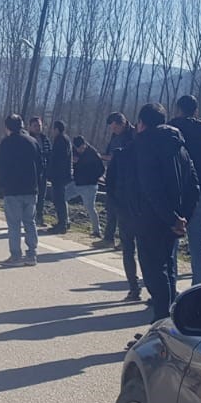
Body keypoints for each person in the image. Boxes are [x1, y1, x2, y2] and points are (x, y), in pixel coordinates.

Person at [117, 102, 198, 322]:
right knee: (169, 270)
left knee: (154, 275)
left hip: (150, 219)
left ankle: (161, 326)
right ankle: (168, 323)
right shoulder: (180, 146)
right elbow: (194, 186)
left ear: (141, 123)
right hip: (174, 221)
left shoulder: (143, 146)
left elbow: (150, 188)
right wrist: (183, 219)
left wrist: (171, 218)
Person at [168, 95, 201, 286]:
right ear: (196, 110)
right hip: (199, 193)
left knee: (171, 243)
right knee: (197, 244)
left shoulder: (171, 131)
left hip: (175, 194)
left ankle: (169, 288)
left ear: (178, 109)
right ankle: (198, 286)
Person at [0, 113, 42, 267]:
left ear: (7, 127)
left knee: (14, 224)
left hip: (12, 189)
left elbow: (0, 166)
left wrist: (0, 185)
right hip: (31, 189)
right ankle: (32, 254)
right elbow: (41, 165)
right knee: (30, 222)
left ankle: (16, 255)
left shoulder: (6, 143)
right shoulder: (33, 142)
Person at [101, 122, 141, 301]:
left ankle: (134, 287)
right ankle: (161, 294)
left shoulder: (121, 155)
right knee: (150, 251)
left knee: (129, 248)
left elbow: (109, 183)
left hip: (126, 207)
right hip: (150, 209)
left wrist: (117, 203)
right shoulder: (164, 152)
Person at [98, 112, 133, 247]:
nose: (113, 130)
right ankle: (108, 238)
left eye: (115, 127)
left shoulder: (132, 135)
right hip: (113, 177)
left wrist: (108, 157)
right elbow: (109, 153)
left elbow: (126, 157)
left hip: (126, 179)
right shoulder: (115, 136)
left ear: (122, 124)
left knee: (124, 212)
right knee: (111, 208)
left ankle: (125, 241)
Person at [70, 135, 105, 237]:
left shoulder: (92, 154)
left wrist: (93, 178)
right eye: (78, 148)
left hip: (89, 185)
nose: (80, 150)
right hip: (77, 183)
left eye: (82, 148)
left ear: (85, 144)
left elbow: (101, 169)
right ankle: (64, 222)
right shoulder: (74, 151)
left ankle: (97, 231)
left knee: (90, 207)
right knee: (62, 197)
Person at [46, 120, 73, 233]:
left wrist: (52, 172)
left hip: (59, 175)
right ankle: (65, 221)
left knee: (58, 199)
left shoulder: (60, 140)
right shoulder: (66, 139)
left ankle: (62, 224)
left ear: (56, 129)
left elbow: (58, 159)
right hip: (64, 174)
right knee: (61, 199)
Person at [26, 116, 51, 224]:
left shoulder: (45, 139)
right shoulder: (27, 138)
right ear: (30, 127)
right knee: (30, 196)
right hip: (31, 172)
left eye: (39, 126)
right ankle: (28, 217)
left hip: (43, 172)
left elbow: (50, 153)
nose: (38, 128)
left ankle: (39, 217)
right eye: (35, 126)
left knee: (41, 195)